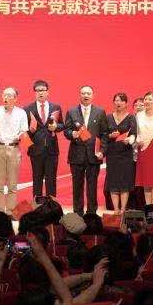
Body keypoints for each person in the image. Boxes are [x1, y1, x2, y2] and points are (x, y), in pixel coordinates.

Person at [65, 85, 109, 216]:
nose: (86, 95)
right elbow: (66, 130)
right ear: (80, 95)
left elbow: (104, 134)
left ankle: (91, 214)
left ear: (92, 96)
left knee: (92, 186)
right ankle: (78, 213)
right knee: (77, 187)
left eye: (88, 93)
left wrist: (102, 151)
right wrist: (72, 134)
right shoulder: (72, 111)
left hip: (93, 155)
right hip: (76, 155)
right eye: (83, 93)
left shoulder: (100, 112)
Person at [0, 87, 28, 218]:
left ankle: (11, 211)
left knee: (12, 184)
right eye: (5, 95)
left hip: (13, 148)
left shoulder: (21, 113)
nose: (6, 98)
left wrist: (20, 136)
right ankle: (0, 212)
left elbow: (24, 130)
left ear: (15, 98)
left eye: (10, 95)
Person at [25, 80, 64, 199]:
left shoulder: (55, 107)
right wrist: (30, 131)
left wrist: (56, 127)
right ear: (35, 93)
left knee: (51, 180)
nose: (40, 93)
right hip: (35, 150)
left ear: (47, 92)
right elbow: (23, 131)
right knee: (37, 179)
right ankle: (37, 206)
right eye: (37, 91)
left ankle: (51, 206)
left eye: (42, 90)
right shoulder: (28, 109)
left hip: (52, 150)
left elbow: (62, 125)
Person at [102, 92, 136, 213]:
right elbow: (103, 134)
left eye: (121, 101)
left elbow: (134, 134)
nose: (118, 103)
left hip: (126, 153)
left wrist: (129, 140)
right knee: (113, 181)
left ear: (126, 103)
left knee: (124, 182)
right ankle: (116, 210)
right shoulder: (108, 117)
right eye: (116, 100)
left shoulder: (131, 117)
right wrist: (110, 135)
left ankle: (123, 209)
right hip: (112, 153)